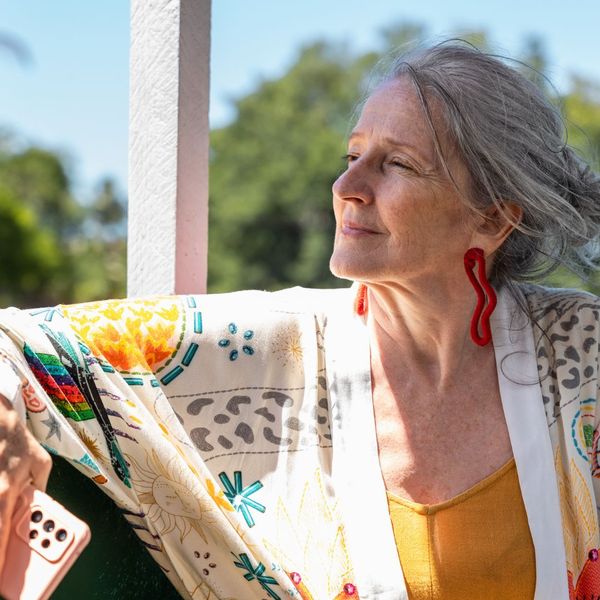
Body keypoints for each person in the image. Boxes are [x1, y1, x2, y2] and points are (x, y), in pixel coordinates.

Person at [1, 40, 600, 599]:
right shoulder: (264, 343)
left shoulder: (580, 351)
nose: (346, 186)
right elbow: (17, 341)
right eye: (354, 155)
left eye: (397, 165)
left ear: (492, 221)